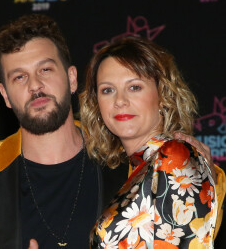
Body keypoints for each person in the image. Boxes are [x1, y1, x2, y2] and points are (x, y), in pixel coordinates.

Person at [0, 15, 224, 249]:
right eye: (19, 77)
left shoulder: (126, 154)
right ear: (5, 95)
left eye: (45, 70)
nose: (35, 85)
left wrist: (202, 166)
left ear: (72, 79)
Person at [79, 36, 224, 248]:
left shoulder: (175, 155)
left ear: (162, 95)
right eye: (107, 90)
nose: (120, 100)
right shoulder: (137, 167)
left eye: (134, 87)